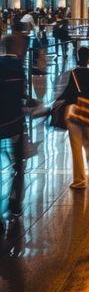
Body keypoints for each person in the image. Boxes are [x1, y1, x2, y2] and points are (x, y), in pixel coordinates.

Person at [59, 46, 89, 189]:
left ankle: (79, 180)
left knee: (76, 146)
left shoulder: (70, 74)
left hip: (72, 111)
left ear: (77, 57)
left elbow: (64, 94)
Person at [0, 35, 28, 233]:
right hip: (14, 123)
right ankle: (15, 202)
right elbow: (22, 94)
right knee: (18, 164)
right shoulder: (17, 66)